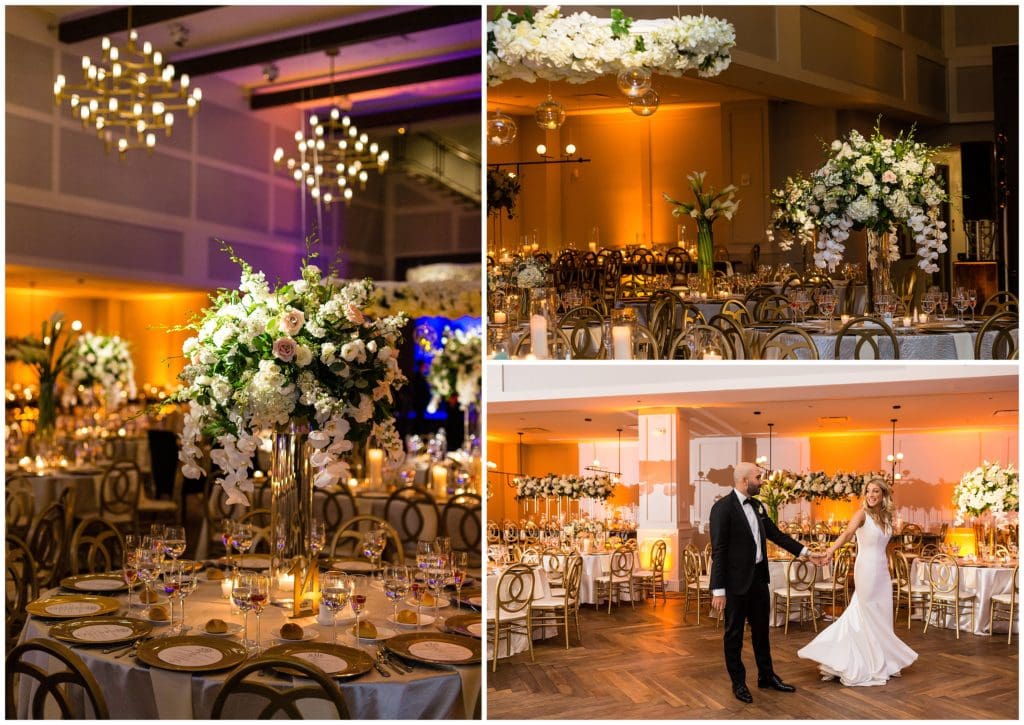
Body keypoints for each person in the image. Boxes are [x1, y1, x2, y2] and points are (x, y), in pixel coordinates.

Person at [710, 462, 823, 704]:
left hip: (759, 581)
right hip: (734, 584)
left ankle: (767, 676)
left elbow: (777, 536)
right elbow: (718, 551)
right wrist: (718, 590)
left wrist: (806, 553)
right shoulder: (722, 509)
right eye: (758, 477)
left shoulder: (758, 506)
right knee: (734, 635)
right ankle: (738, 683)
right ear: (744, 481)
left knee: (762, 632)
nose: (762, 482)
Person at [798, 477, 917, 685]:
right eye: (868, 491)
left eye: (876, 492)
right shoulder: (861, 514)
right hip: (866, 570)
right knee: (865, 611)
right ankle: (858, 659)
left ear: (884, 495)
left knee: (881, 612)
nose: (871, 495)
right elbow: (846, 534)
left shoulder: (887, 516)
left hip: (882, 571)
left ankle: (884, 659)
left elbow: (884, 545)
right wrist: (829, 552)